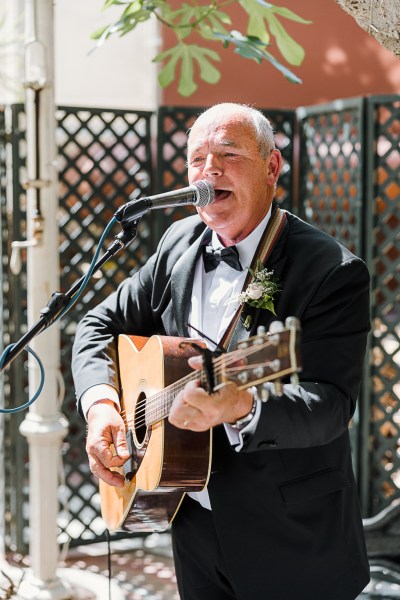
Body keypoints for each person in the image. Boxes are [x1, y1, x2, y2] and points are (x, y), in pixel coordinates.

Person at [72, 103, 371, 600]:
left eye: (228, 155)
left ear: (272, 167)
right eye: (196, 159)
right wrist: (101, 403)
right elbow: (98, 323)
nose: (208, 170)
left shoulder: (331, 270)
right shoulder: (179, 242)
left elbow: (331, 405)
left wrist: (244, 406)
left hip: (291, 538)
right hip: (192, 524)